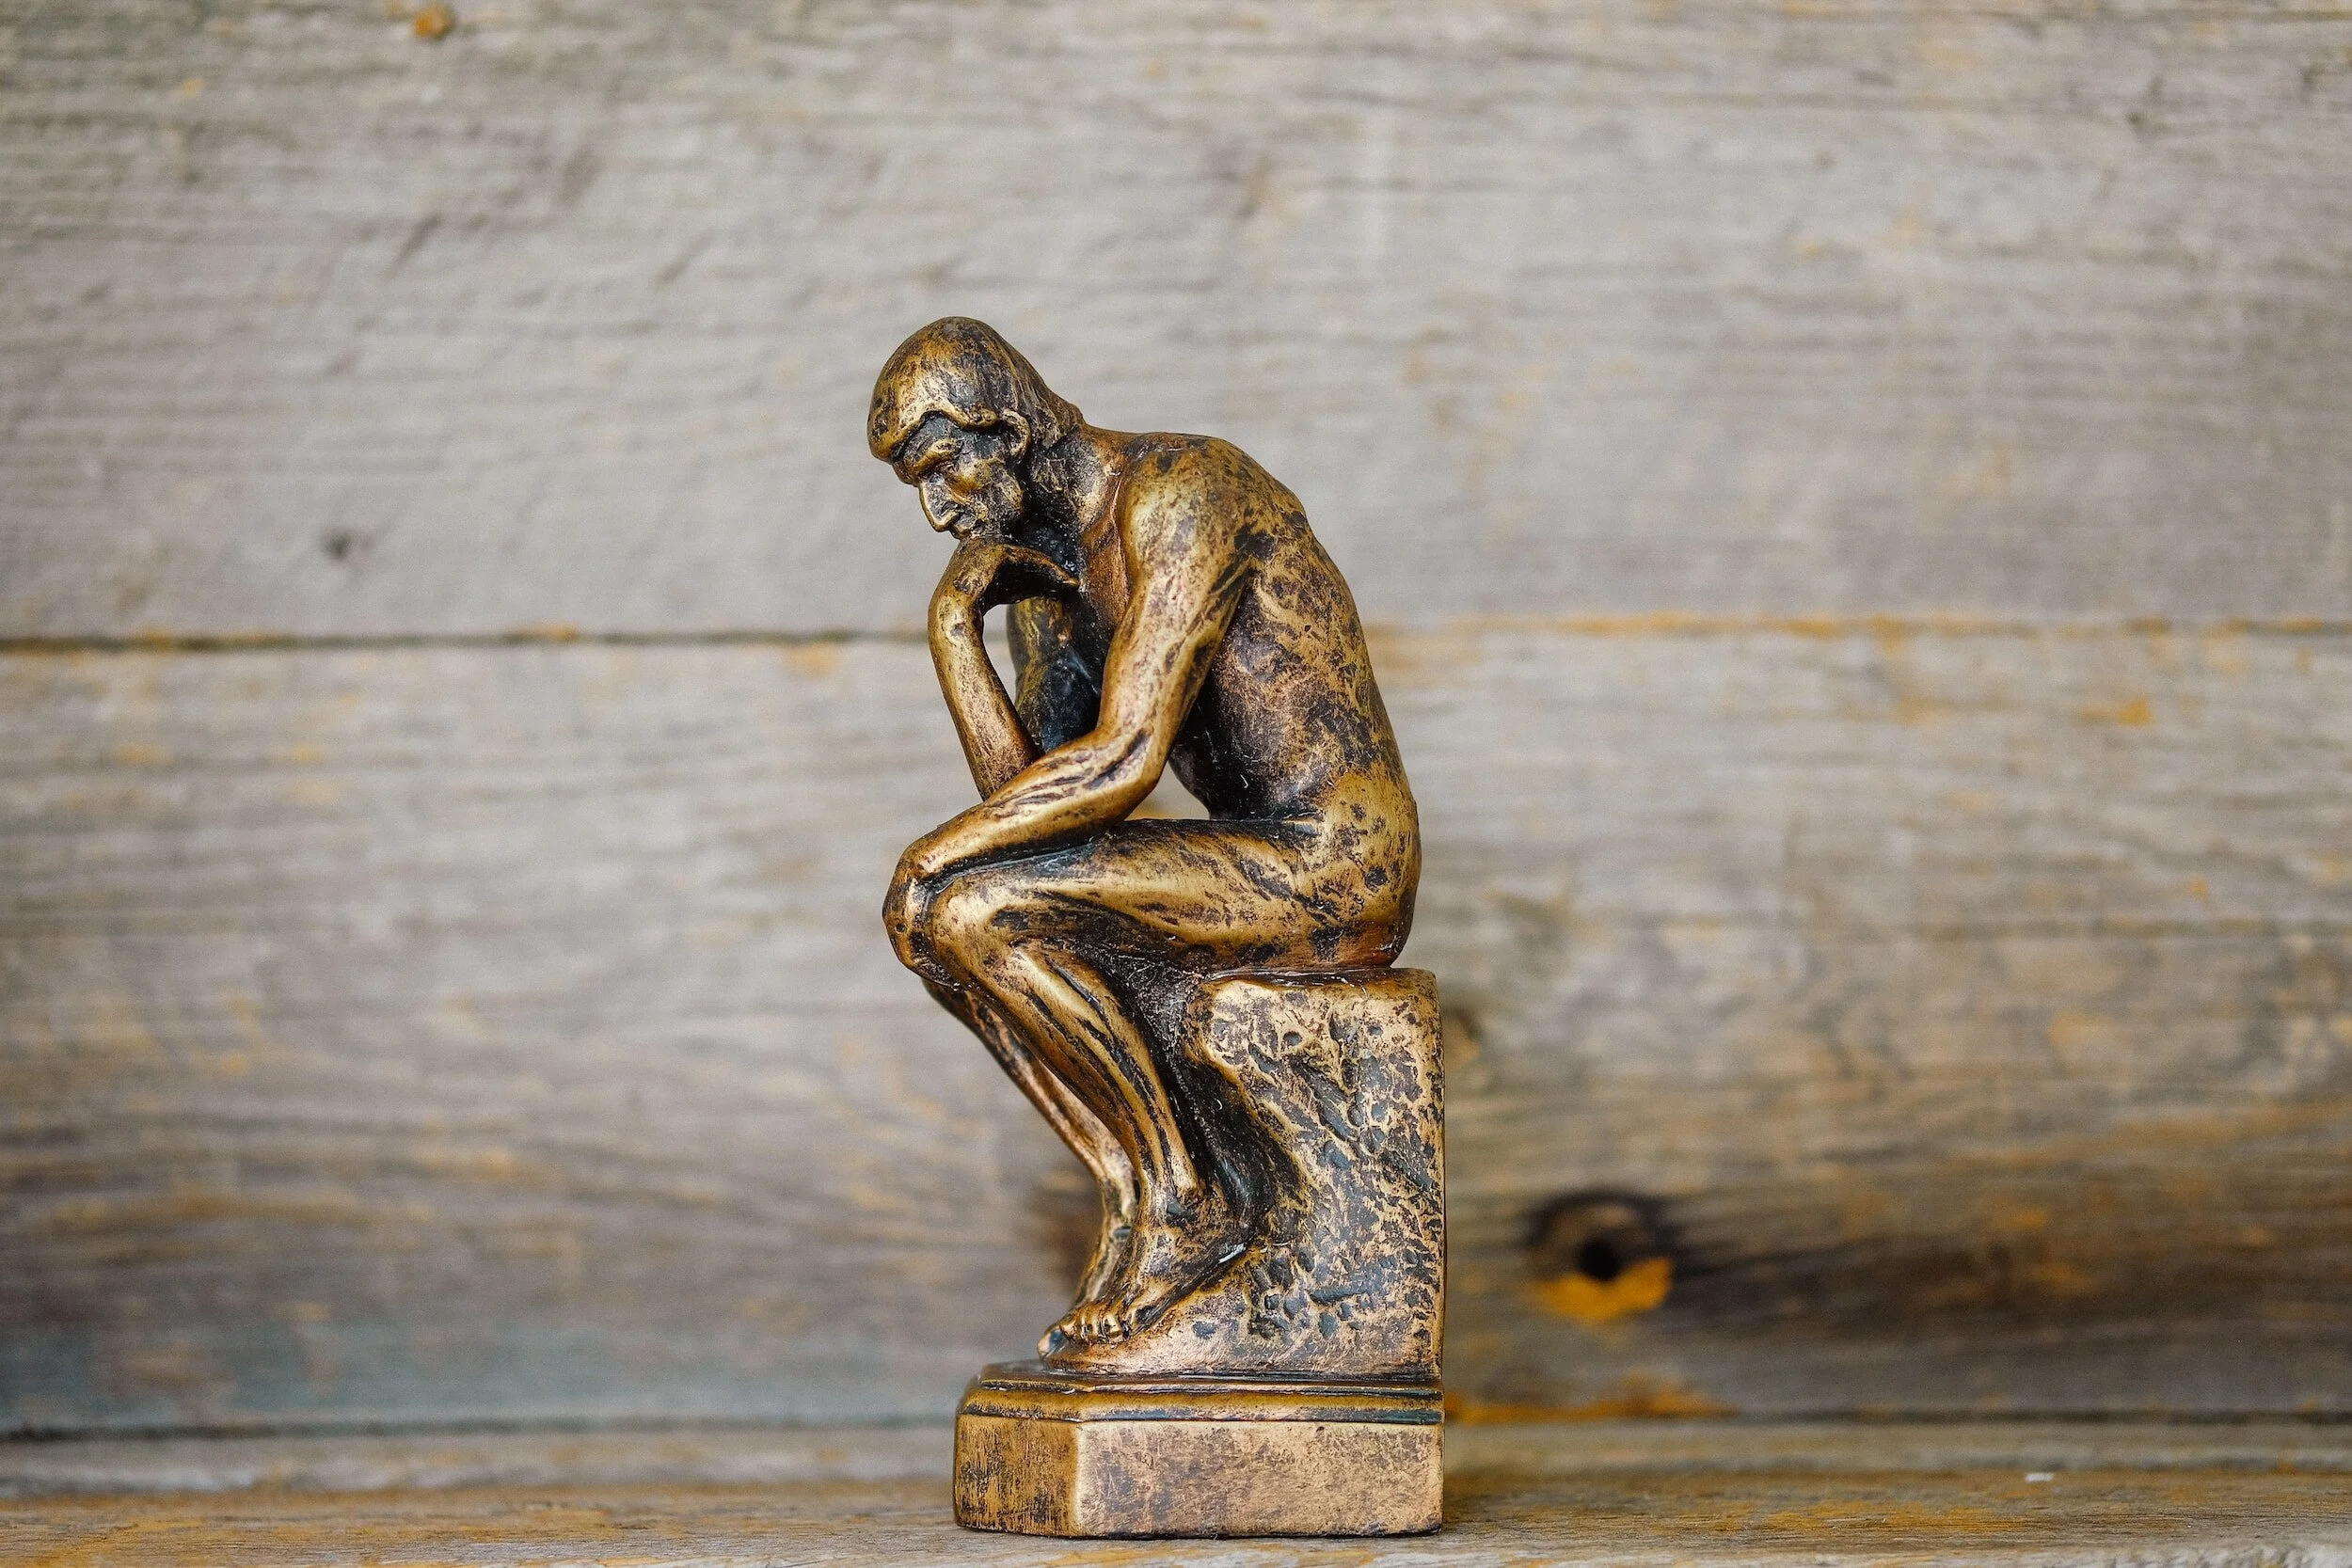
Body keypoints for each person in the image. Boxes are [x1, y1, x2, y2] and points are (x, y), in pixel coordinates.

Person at [871, 318, 1420, 1354]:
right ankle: (1140, 1193)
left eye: (945, 468)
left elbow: (1120, 762)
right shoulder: (1044, 577)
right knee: (935, 921)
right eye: (918, 486)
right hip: (1247, 857)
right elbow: (1030, 807)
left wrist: (930, 851)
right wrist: (956, 637)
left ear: (1013, 426)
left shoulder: (1181, 492)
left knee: (959, 894)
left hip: (1334, 858)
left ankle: (1184, 1200)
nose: (939, 507)